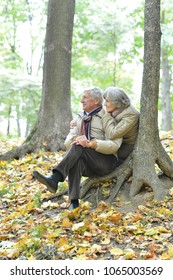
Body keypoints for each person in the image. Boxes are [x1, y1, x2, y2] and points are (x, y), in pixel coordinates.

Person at [33, 87, 122, 210]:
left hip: (106, 162)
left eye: (85, 97)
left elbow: (115, 145)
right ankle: (74, 202)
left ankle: (55, 178)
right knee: (77, 157)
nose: (81, 100)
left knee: (80, 147)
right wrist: (77, 138)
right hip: (88, 164)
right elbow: (67, 144)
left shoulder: (107, 117)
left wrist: (91, 144)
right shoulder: (79, 118)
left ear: (96, 100)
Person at [102, 87, 140, 163]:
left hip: (125, 148)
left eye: (107, 101)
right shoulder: (116, 110)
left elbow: (112, 134)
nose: (104, 104)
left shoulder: (131, 114)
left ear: (117, 102)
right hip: (115, 143)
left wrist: (107, 116)